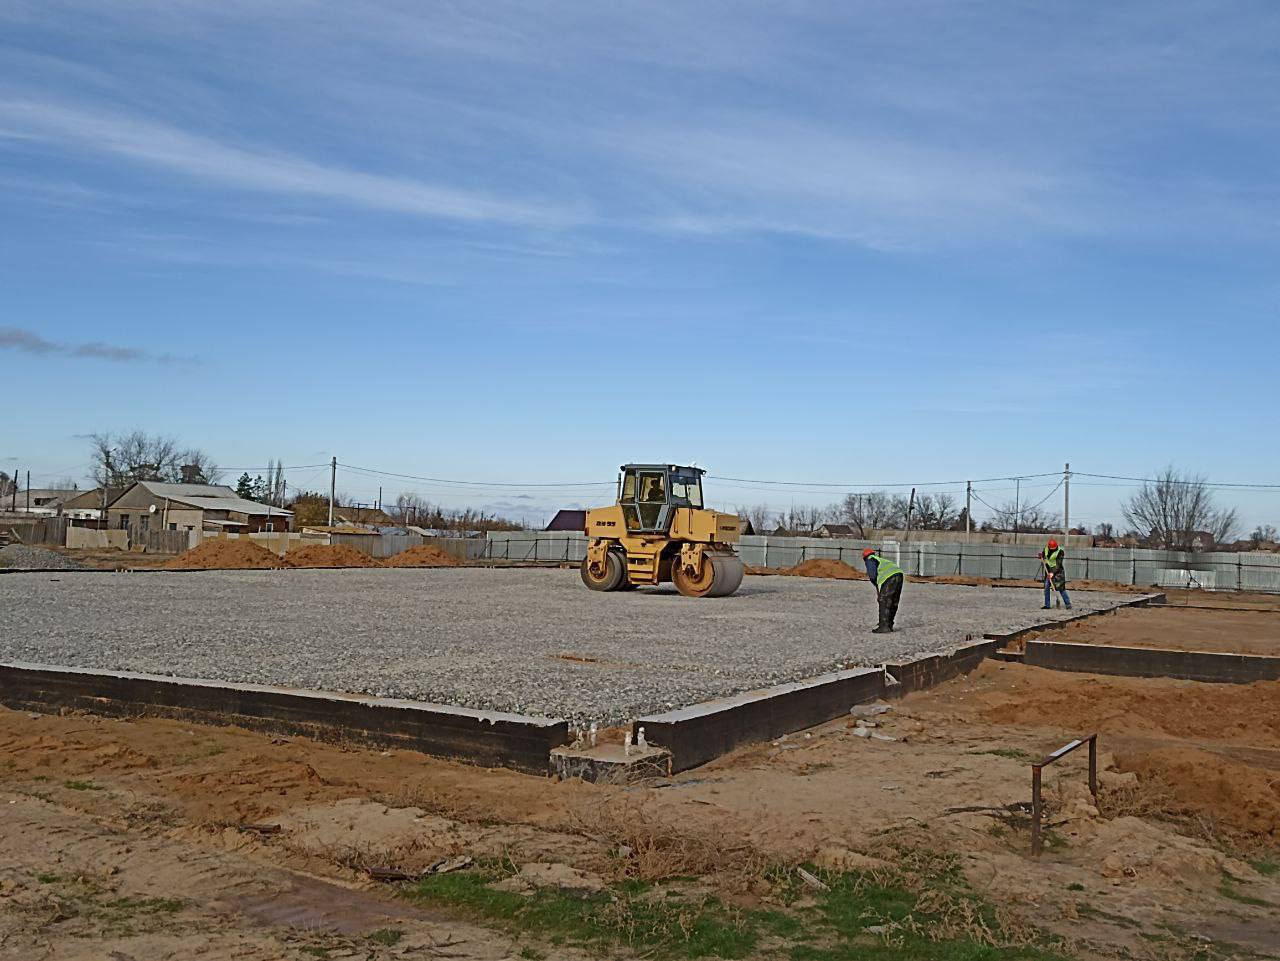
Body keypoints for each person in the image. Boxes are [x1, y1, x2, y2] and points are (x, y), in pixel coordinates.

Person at [862, 547, 904, 634]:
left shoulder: (870, 560)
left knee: (884, 601)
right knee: (893, 601)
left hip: (890, 577)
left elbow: (872, 575)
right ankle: (889, 624)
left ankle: (884, 626)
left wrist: (874, 582)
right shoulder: (880, 560)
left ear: (865, 557)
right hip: (899, 575)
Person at [1039, 538, 1072, 610]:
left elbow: (1058, 564)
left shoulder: (1060, 551)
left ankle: (1068, 604)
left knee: (1061, 588)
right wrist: (1041, 556)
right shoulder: (1046, 549)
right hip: (1048, 570)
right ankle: (1047, 605)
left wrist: (1052, 573)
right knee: (1046, 587)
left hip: (1058, 571)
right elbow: (1044, 555)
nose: (1052, 549)